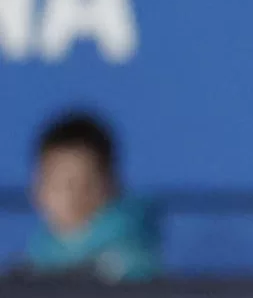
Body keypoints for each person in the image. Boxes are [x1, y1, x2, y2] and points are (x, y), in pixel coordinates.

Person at [22, 113, 161, 283]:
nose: (72, 198)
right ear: (36, 189)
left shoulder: (131, 261)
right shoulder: (36, 257)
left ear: (113, 186)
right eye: (59, 184)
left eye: (86, 185)